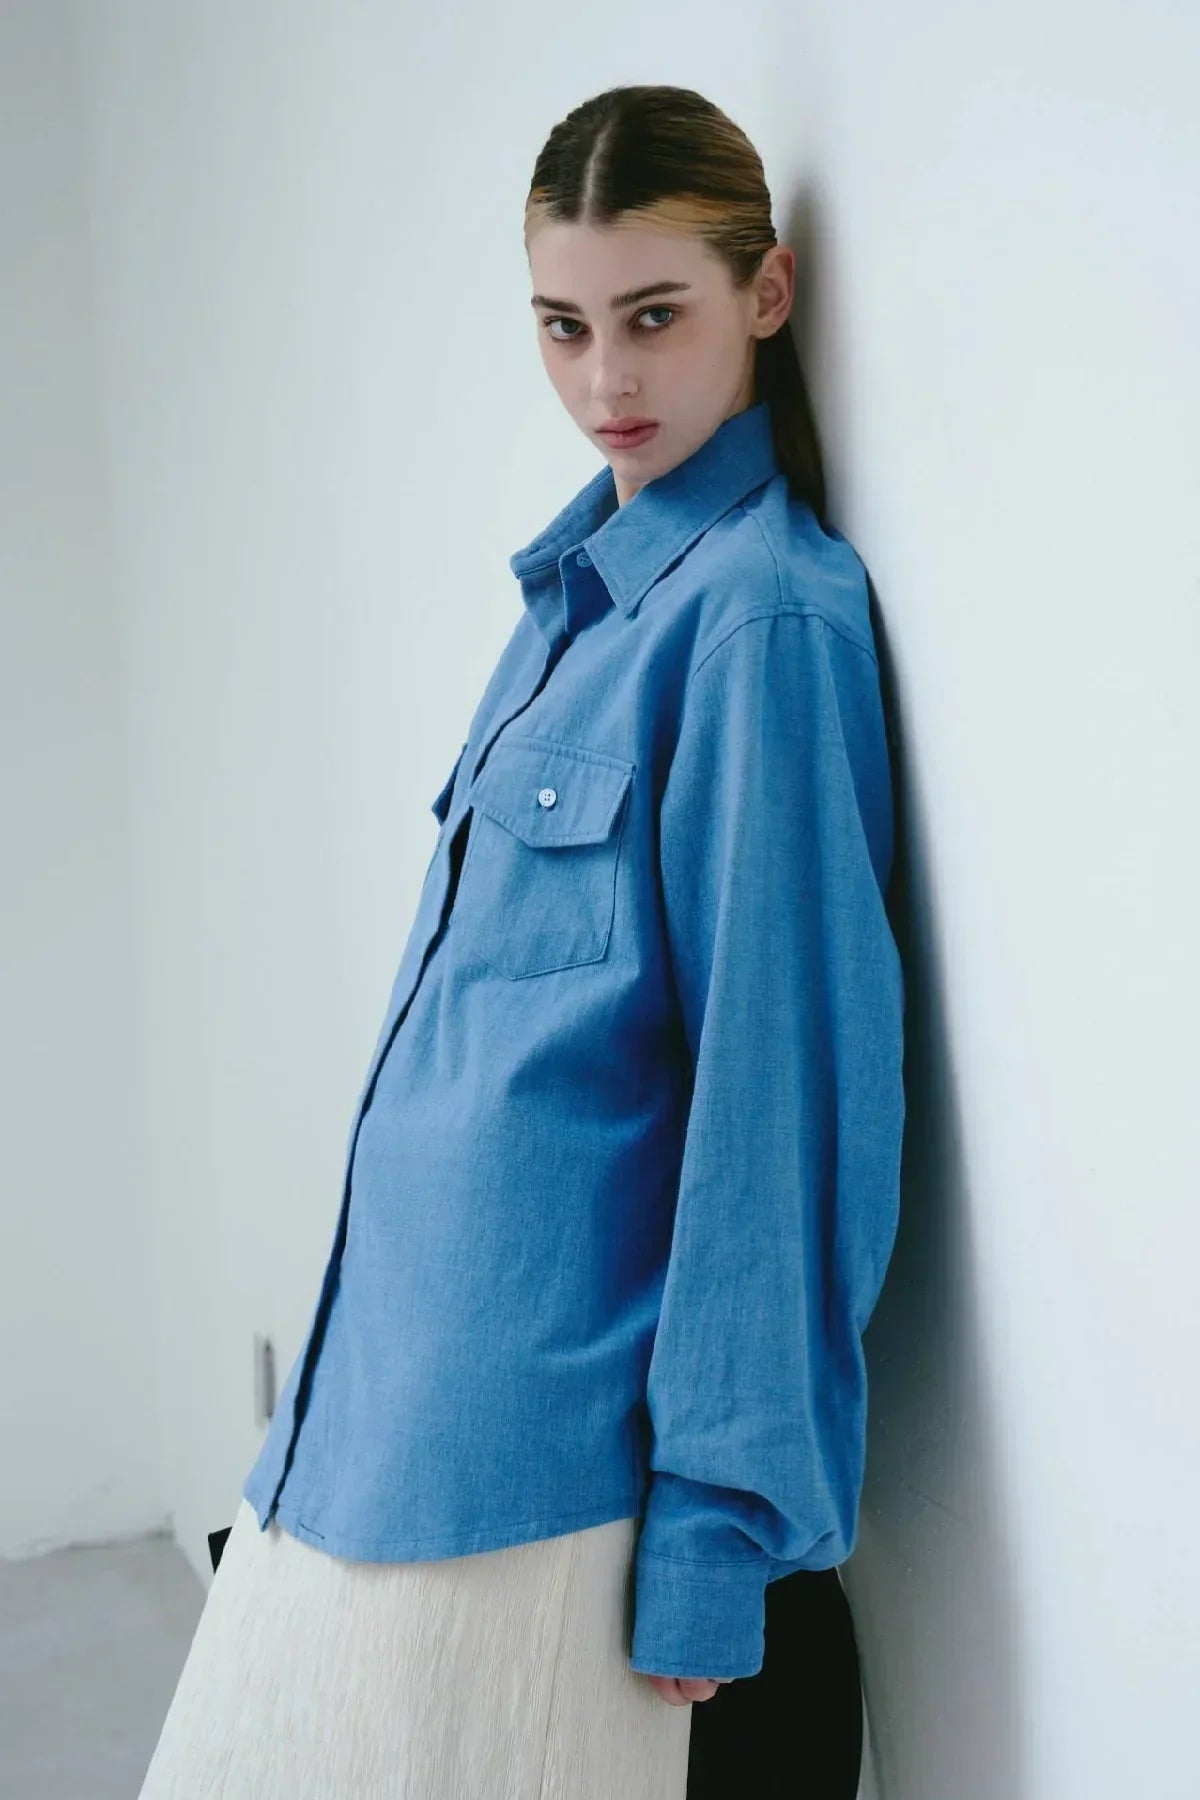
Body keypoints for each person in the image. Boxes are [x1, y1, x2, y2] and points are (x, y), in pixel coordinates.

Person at [137, 81, 905, 1800]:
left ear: (765, 297)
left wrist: (720, 1537)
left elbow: (779, 1105)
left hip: (543, 1481)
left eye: (654, 319)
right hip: (370, 1422)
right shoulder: (576, 601)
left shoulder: (763, 624)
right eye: (564, 329)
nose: (605, 385)